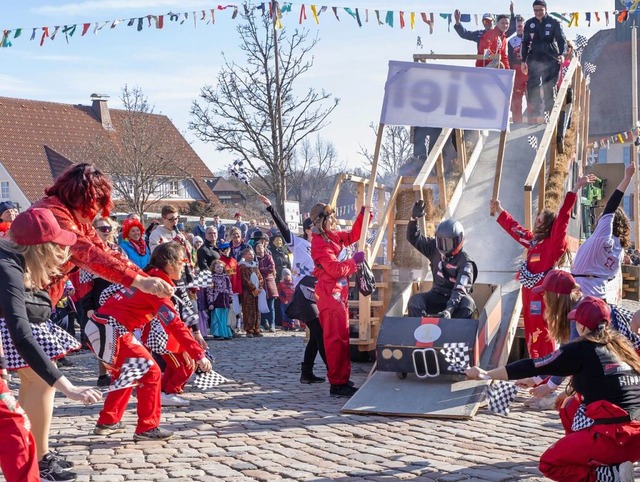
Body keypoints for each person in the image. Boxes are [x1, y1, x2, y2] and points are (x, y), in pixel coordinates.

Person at [466, 296, 640, 482]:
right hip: (635, 440)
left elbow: (533, 365)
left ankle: (609, 474)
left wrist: (486, 374)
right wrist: (563, 391)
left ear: (581, 326)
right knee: (569, 406)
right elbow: (602, 381)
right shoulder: (622, 347)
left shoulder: (580, 349)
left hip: (613, 439)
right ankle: (595, 458)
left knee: (549, 464)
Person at [0, 208, 102, 482]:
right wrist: (67, 386)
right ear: (40, 248)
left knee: (13, 426)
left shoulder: (8, 259)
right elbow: (21, 334)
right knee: (13, 425)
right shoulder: (6, 267)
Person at [85, 241, 211, 441]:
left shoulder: (147, 278)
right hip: (111, 329)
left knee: (130, 372)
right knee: (150, 370)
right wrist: (198, 354)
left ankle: (108, 420)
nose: (184, 265)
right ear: (170, 264)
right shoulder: (157, 287)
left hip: (100, 326)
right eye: (182, 261)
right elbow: (175, 324)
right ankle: (147, 427)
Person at [30, 163, 173, 305]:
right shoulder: (53, 214)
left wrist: (145, 278)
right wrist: (140, 282)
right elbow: (90, 255)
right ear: (83, 198)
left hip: (37, 299)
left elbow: (106, 251)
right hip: (21, 294)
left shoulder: (78, 220)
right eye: (97, 205)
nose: (97, 213)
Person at [491, 173, 594, 359]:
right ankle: (535, 364)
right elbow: (516, 230)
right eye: (537, 219)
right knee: (531, 329)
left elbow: (562, 218)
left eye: (539, 221)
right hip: (528, 293)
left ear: (548, 225)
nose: (536, 223)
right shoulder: (533, 242)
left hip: (544, 294)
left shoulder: (553, 244)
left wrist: (575, 189)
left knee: (544, 328)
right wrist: (500, 211)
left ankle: (547, 366)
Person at [520, 269, 640, 409]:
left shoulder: (580, 314)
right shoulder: (577, 307)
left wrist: (550, 386)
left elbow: (568, 359)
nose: (544, 297)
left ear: (556, 296)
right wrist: (535, 379)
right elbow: (562, 353)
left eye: (545, 293)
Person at [258, 195, 326, 384]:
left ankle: (307, 373)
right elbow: (284, 229)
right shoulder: (299, 244)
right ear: (308, 229)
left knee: (315, 335)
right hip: (304, 291)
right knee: (319, 332)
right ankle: (333, 374)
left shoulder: (323, 246)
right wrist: (271, 208)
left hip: (318, 291)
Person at [310, 202, 367, 398]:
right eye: (330, 218)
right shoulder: (319, 244)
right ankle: (337, 383)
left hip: (337, 294)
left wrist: (363, 214)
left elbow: (353, 235)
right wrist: (355, 262)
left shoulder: (332, 237)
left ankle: (342, 378)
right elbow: (335, 269)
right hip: (329, 295)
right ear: (321, 221)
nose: (334, 221)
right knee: (335, 340)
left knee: (342, 339)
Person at [571, 163, 634, 304]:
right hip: (599, 296)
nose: (601, 214)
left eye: (604, 213)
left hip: (584, 294)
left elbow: (612, 205)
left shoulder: (604, 234)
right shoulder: (619, 251)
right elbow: (610, 276)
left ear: (612, 221)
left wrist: (627, 178)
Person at [406, 201, 477, 319]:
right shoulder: (434, 248)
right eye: (441, 241)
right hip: (437, 295)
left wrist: (449, 310)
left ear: (459, 240)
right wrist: (413, 219)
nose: (444, 247)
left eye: (448, 242)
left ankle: (457, 336)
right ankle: (418, 334)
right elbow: (413, 238)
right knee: (415, 301)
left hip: (456, 300)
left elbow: (460, 289)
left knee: (468, 305)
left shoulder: (465, 262)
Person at [521, 0, 567, 123]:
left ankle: (551, 115)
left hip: (551, 58)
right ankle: (535, 112)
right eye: (535, 10)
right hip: (534, 58)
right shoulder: (529, 24)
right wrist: (523, 61)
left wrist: (562, 54)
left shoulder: (554, 22)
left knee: (549, 87)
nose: (538, 12)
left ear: (546, 9)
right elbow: (525, 43)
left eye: (540, 10)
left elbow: (562, 40)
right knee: (532, 85)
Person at [238, 247, 264, 338]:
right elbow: (244, 280)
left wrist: (260, 286)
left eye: (252, 254)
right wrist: (253, 288)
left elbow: (260, 277)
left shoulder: (255, 266)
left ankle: (256, 328)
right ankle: (249, 329)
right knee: (248, 310)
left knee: (257, 309)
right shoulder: (243, 266)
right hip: (248, 292)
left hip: (257, 291)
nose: (252, 256)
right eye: (249, 254)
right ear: (244, 255)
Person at [255, 234, 278, 333]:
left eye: (261, 246)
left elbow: (271, 268)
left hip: (269, 283)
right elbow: (254, 270)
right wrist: (262, 270)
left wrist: (261, 270)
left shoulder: (268, 257)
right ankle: (264, 323)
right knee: (262, 305)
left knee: (271, 306)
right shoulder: (255, 259)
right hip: (260, 284)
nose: (259, 248)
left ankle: (272, 324)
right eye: (257, 247)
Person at [207, 259, 234, 340]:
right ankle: (217, 333)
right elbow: (210, 291)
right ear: (214, 269)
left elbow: (229, 288)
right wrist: (211, 302)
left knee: (225, 317)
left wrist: (230, 298)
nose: (220, 269)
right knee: (217, 316)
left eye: (221, 267)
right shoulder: (212, 278)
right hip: (216, 299)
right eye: (218, 267)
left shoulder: (226, 277)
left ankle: (226, 332)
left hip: (225, 299)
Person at [508, 14, 528, 123]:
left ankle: (532, 121)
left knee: (532, 96)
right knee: (517, 98)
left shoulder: (530, 38)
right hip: (516, 69)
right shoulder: (511, 41)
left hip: (528, 69)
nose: (520, 28)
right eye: (518, 26)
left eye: (521, 25)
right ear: (515, 27)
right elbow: (509, 58)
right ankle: (517, 121)